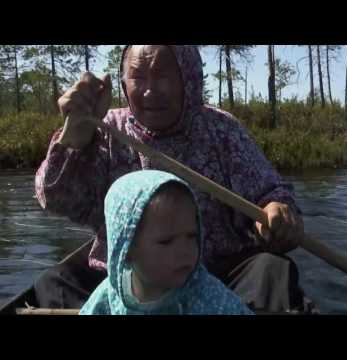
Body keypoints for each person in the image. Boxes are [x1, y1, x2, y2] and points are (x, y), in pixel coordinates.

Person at [35, 45, 310, 313]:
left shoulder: (221, 129)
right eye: (138, 76)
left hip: (217, 275)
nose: (149, 90)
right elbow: (56, 200)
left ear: (189, 78)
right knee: (55, 283)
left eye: (162, 75)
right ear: (123, 81)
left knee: (273, 271)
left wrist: (276, 211)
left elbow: (269, 192)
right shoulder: (107, 128)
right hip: (129, 278)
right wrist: (75, 137)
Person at [80, 170, 253, 315]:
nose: (184, 251)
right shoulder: (110, 296)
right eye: (166, 241)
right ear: (127, 249)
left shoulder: (211, 298)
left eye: (192, 236)